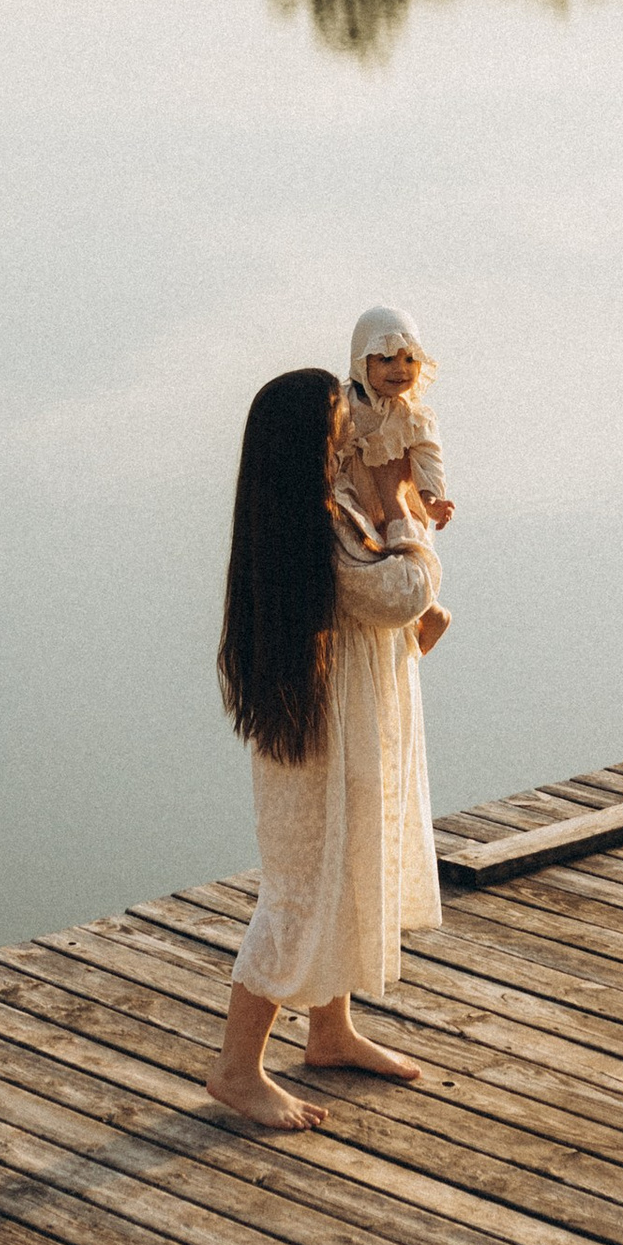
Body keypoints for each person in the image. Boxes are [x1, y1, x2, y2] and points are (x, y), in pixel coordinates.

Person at [205, 364, 452, 1133]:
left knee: (347, 866)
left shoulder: (319, 507)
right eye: (342, 420)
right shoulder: (314, 525)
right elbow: (397, 593)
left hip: (337, 724)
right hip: (319, 738)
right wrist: (402, 512)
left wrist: (393, 482)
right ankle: (236, 1069)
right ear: (313, 444)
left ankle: (331, 1031)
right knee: (302, 890)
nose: (355, 426)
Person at [343, 303, 456, 546]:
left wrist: (431, 498)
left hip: (403, 502)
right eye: (386, 359)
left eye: (410, 359)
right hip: (353, 500)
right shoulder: (344, 405)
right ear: (362, 362)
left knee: (407, 542)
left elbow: (428, 456)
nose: (400, 369)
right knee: (352, 538)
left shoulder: (414, 415)